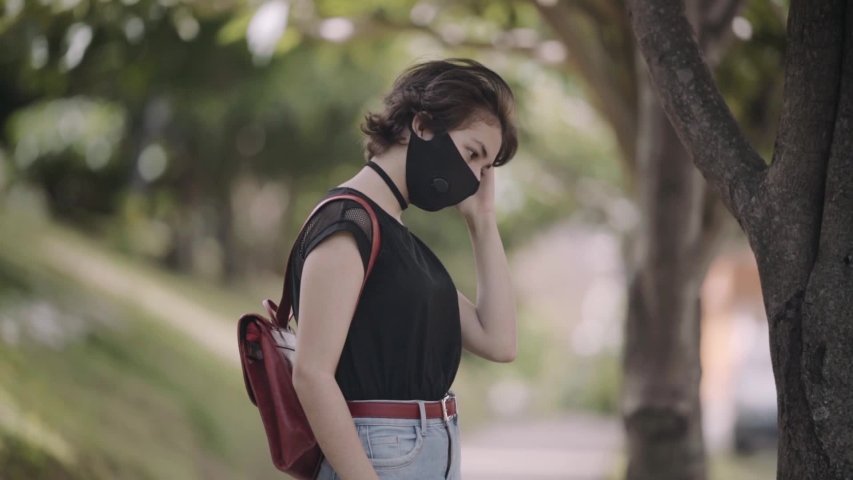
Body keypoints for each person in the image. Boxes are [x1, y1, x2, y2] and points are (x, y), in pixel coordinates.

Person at [290, 58, 519, 480]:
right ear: (422, 126)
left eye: (483, 170)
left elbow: (499, 341)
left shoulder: (399, 241)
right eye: (472, 154)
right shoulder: (348, 223)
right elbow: (312, 374)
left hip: (428, 453)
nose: (472, 178)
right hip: (381, 457)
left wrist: (483, 221)